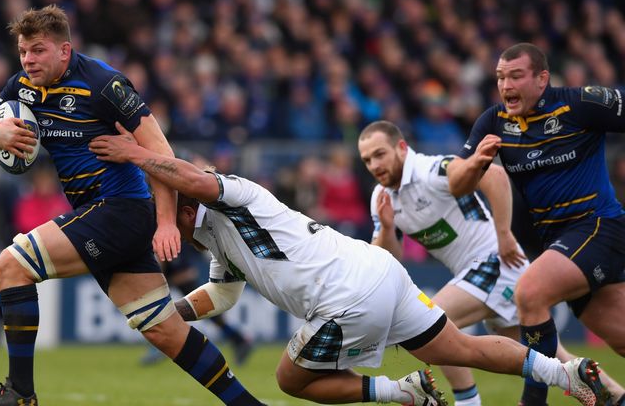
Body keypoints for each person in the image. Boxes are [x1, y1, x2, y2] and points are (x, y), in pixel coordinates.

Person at [88, 121, 611, 406]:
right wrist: (169, 316)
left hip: (348, 298)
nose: (160, 224)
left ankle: (400, 393)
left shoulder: (230, 193)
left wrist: (136, 154)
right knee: (463, 347)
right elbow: (220, 296)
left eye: (162, 213)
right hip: (382, 273)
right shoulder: (216, 238)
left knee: (290, 380)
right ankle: (567, 374)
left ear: (177, 204)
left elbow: (192, 177)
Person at [0, 5, 263, 406]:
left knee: (11, 266)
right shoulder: (20, 88)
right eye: (23, 51)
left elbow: (161, 152)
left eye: (38, 50)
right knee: (164, 331)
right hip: (100, 215)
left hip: (121, 209)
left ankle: (20, 394)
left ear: (64, 51)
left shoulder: (103, 84)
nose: (28, 60)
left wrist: (167, 222)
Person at [358, 120, 625, 405]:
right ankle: (615, 397)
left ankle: (467, 402)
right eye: (366, 160)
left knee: (429, 322)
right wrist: (387, 229)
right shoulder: (381, 197)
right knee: (550, 360)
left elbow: (495, 174)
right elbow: (388, 257)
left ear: (401, 147)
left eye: (379, 154)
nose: (374, 165)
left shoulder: (433, 169)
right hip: (475, 276)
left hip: (495, 263)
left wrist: (504, 234)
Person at [446, 42, 625, 406]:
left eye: (515, 76)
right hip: (560, 245)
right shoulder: (494, 122)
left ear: (542, 78)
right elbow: (456, 182)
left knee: (529, 292)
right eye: (500, 77)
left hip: (599, 226)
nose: (505, 85)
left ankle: (532, 401)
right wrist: (477, 162)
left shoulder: (580, 103)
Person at [139, 245, 254, 366]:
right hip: (172, 263)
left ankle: (237, 339)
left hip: (176, 264)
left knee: (198, 308)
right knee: (201, 310)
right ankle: (238, 339)